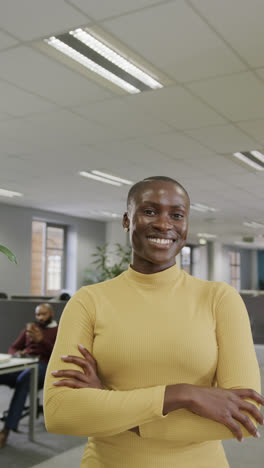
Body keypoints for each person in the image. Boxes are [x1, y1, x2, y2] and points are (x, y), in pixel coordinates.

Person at [44, 176, 264, 467]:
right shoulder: (88, 301)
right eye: (149, 211)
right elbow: (60, 412)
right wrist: (183, 395)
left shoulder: (219, 299)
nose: (163, 224)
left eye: (177, 215)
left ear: (186, 225)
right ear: (127, 220)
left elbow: (243, 418)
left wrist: (106, 402)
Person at [0, 303, 58, 448]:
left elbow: (58, 355)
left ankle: (6, 430)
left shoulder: (58, 330)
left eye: (43, 314)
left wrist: (41, 341)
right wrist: (17, 353)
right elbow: (13, 347)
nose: (40, 317)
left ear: (51, 314)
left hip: (44, 367)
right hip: (24, 364)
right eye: (38, 314)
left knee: (26, 378)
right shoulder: (30, 328)